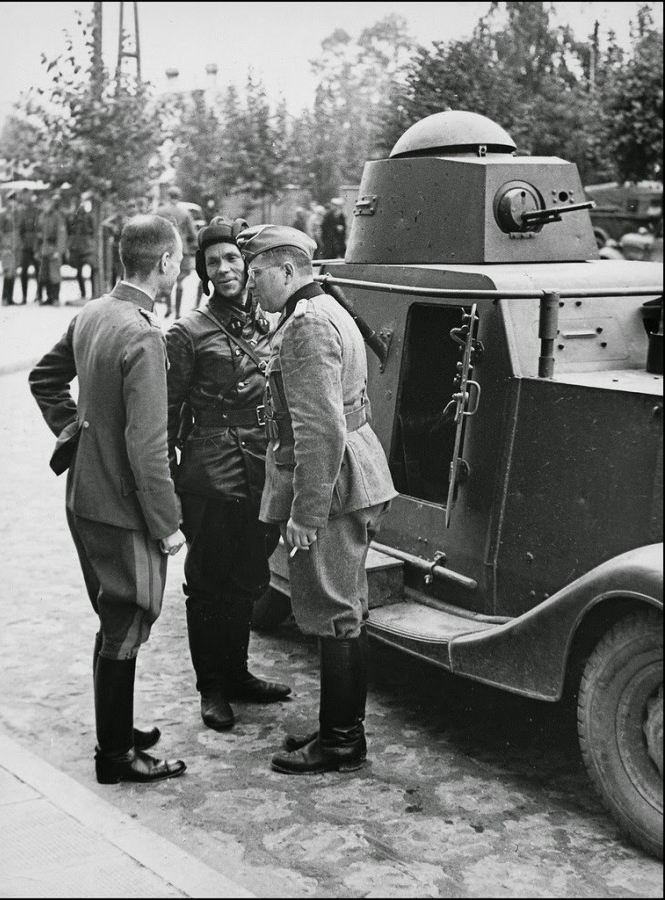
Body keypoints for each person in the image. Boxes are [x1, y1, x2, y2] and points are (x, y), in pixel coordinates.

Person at [28, 214, 188, 786]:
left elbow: (44, 378)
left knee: (112, 618)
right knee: (127, 620)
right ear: (166, 263)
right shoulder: (144, 333)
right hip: (123, 507)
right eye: (180, 257)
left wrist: (76, 432)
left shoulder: (94, 312)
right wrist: (167, 525)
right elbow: (149, 447)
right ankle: (116, 757)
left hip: (84, 497)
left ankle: (115, 732)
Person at [236, 224, 396, 775]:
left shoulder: (306, 327)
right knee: (346, 608)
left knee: (334, 612)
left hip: (334, 484)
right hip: (358, 471)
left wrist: (305, 516)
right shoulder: (327, 310)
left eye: (256, 274)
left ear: (286, 270)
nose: (251, 285)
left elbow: (320, 430)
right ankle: (339, 727)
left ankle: (343, 742)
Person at [166, 216, 291, 732]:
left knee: (249, 576)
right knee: (209, 581)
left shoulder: (271, 325)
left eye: (232, 259)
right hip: (211, 473)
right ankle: (212, 687)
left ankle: (237, 674)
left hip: (261, 469)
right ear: (203, 271)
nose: (223, 269)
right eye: (213, 262)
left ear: (248, 264)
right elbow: (167, 413)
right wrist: (169, 482)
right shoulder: (187, 333)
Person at [157, 185, 198, 319]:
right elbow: (193, 233)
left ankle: (169, 307)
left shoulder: (160, 211)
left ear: (168, 196)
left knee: (167, 277)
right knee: (179, 281)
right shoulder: (185, 213)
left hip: (165, 249)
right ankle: (178, 313)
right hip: (182, 250)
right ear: (179, 197)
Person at [37, 192, 68, 305]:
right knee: (44, 274)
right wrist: (38, 249)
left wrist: (58, 251)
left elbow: (61, 234)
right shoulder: (42, 216)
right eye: (44, 204)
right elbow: (39, 232)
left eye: (48, 204)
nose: (46, 206)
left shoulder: (57, 216)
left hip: (54, 247)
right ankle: (48, 298)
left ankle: (55, 298)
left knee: (54, 274)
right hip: (45, 247)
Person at [0, 191, 21, 305]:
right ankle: (5, 298)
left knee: (13, 272)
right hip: (7, 246)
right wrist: (2, 242)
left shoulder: (17, 213)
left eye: (15, 200)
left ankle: (9, 298)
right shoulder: (2, 214)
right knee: (8, 272)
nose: (13, 202)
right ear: (8, 200)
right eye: (11, 200)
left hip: (16, 246)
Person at [68, 192, 95, 300]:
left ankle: (93, 292)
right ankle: (83, 293)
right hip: (77, 247)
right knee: (79, 272)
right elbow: (70, 230)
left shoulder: (89, 216)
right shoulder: (73, 217)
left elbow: (92, 230)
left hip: (87, 247)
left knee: (92, 270)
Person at [18, 189, 41, 304]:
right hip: (25, 245)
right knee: (23, 272)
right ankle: (24, 297)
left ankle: (39, 295)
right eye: (24, 196)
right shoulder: (21, 211)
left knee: (38, 271)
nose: (26, 198)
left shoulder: (36, 210)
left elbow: (39, 227)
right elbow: (20, 229)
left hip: (35, 244)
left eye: (28, 196)